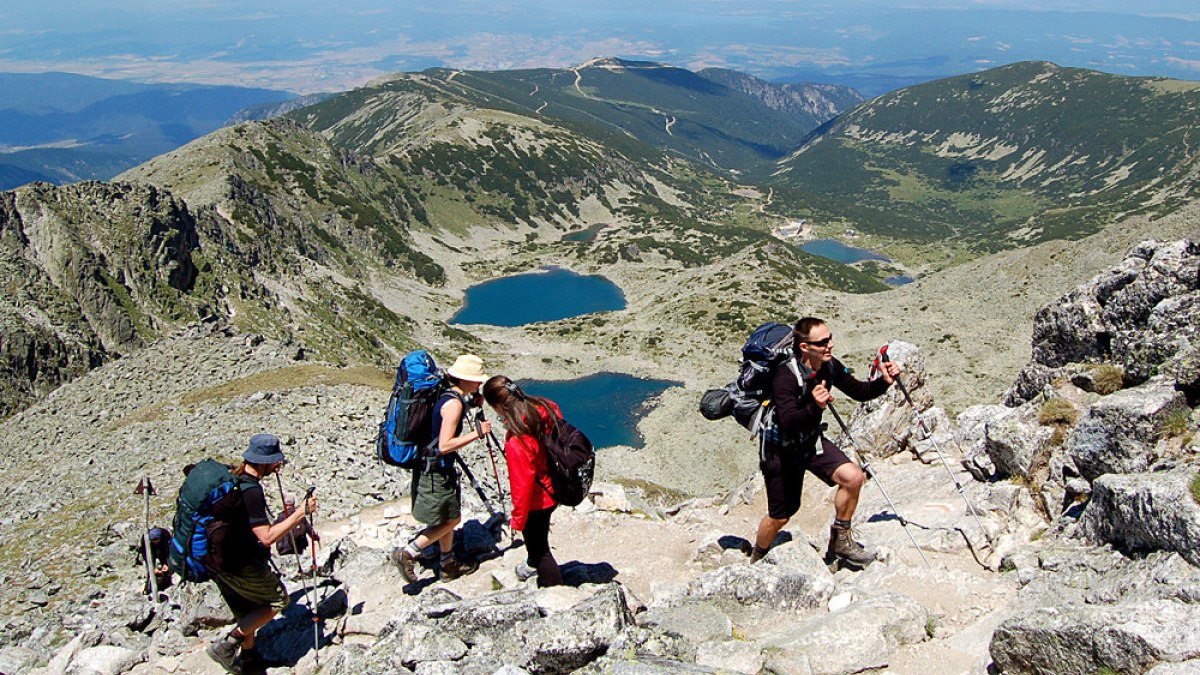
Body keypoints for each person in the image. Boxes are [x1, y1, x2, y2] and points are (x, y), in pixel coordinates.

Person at [750, 317, 901, 567]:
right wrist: (814, 405)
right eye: (821, 342)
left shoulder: (829, 366)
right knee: (781, 516)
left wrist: (883, 382)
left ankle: (841, 541)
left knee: (853, 478)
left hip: (809, 442)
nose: (829, 345)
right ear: (804, 347)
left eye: (829, 338)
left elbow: (859, 391)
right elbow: (788, 420)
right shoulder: (785, 375)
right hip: (781, 452)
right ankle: (758, 557)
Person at [206, 433, 317, 675]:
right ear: (263, 462)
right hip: (240, 562)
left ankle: (250, 661)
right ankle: (228, 644)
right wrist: (300, 514)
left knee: (249, 612)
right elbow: (266, 536)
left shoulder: (233, 479)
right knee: (278, 601)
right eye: (275, 461)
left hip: (215, 559)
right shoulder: (250, 490)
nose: (278, 466)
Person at [393, 354, 490, 583]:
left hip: (431, 468)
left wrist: (470, 403)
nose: (479, 384)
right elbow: (445, 444)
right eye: (476, 380)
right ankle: (409, 552)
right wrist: (477, 433)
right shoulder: (454, 404)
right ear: (465, 379)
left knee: (445, 517)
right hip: (437, 471)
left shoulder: (448, 395)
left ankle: (447, 564)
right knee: (452, 520)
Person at [482, 375, 564, 587]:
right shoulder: (545, 406)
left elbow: (522, 484)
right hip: (555, 484)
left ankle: (556, 592)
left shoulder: (517, 439)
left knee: (540, 548)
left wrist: (517, 519)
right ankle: (531, 565)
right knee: (539, 540)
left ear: (499, 405)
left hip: (539, 499)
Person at [274, 494, 320, 558]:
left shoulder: (280, 517)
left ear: (284, 504)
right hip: (298, 549)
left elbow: (273, 531)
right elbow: (309, 529)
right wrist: (316, 537)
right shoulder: (299, 516)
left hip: (283, 549)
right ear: (293, 504)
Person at [135, 526, 173, 593]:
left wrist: (165, 564)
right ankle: (148, 588)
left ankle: (167, 583)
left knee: (167, 565)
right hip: (150, 549)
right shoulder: (145, 540)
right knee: (150, 569)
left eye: (156, 540)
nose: (155, 542)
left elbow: (168, 551)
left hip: (163, 547)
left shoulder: (165, 535)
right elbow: (147, 556)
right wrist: (153, 568)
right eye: (153, 541)